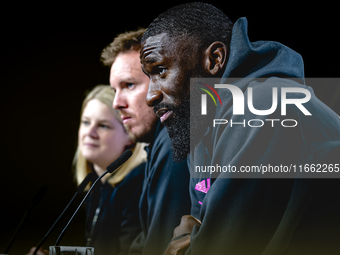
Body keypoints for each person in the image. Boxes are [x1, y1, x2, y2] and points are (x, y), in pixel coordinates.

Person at [140, 2, 340, 255]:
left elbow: (216, 246)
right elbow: (201, 225)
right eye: (149, 77)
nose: (150, 96)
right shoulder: (203, 126)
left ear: (214, 59)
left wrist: (192, 238)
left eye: (160, 70)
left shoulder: (265, 104)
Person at [101, 29, 191, 255]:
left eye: (129, 85)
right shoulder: (161, 142)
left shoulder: (172, 141)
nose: (116, 103)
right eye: (114, 90)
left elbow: (158, 246)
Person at [27, 85, 147, 255]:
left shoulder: (136, 184)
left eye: (103, 126)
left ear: (130, 134)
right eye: (85, 122)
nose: (90, 132)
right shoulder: (97, 187)